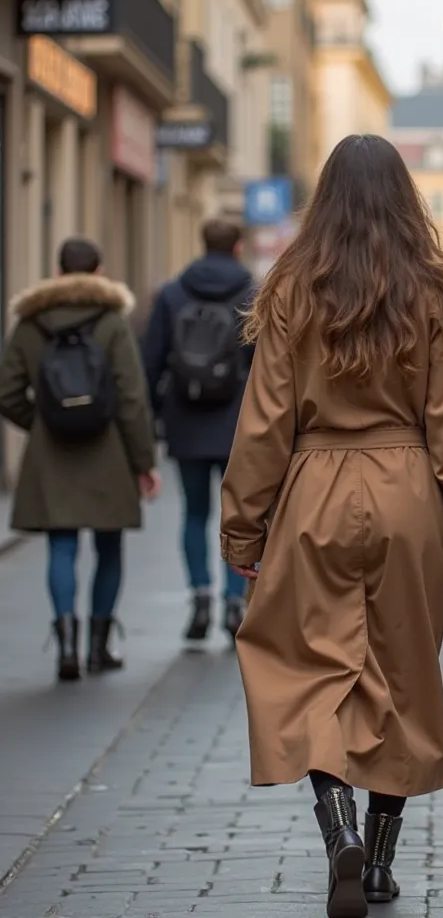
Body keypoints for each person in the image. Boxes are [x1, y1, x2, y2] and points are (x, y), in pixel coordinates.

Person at [219, 134, 443, 918]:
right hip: (409, 491)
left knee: (308, 667)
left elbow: (264, 424)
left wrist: (243, 530)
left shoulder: (293, 289)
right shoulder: (437, 291)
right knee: (403, 674)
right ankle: (378, 863)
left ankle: (334, 825)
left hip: (313, 488)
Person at [0, 238, 159, 682]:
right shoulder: (112, 321)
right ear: (98, 271)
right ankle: (98, 646)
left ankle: (65, 646)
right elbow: (131, 398)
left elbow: (7, 392)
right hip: (107, 451)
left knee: (61, 545)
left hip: (51, 454)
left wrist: (42, 423)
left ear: (57, 271)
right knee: (109, 547)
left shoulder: (30, 322)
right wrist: (144, 461)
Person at [143, 220, 254, 646]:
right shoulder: (253, 294)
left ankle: (200, 597)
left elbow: (151, 360)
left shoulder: (173, 294)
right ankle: (233, 600)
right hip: (237, 423)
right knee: (236, 516)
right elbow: (267, 364)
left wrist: (155, 417)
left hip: (185, 418)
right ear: (238, 247)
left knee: (193, 513)